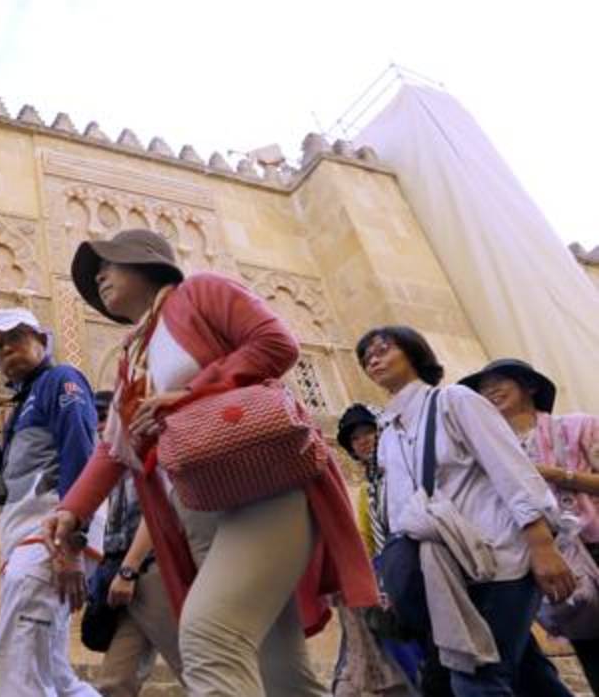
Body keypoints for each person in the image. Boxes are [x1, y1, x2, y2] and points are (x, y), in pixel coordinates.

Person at [45, 228, 377, 697]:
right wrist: (72, 509)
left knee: (209, 636)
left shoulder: (199, 293)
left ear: (145, 261)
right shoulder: (133, 356)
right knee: (280, 671)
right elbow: (116, 446)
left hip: (262, 484)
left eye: (109, 263)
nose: (98, 277)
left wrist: (190, 393)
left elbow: (277, 343)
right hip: (197, 508)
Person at [356, 326, 575, 695]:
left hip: (501, 556)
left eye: (382, 349)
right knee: (526, 674)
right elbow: (399, 512)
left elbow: (510, 468)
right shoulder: (389, 432)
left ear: (414, 352)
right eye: (365, 358)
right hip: (450, 569)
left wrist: (541, 544)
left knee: (477, 674)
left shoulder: (454, 400)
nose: (373, 360)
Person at [0, 307, 100, 697]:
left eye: (16, 337)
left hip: (49, 541)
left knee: (17, 670)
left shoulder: (61, 381)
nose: (6, 348)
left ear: (42, 341)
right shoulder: (21, 408)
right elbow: (8, 486)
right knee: (57, 679)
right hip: (28, 543)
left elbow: (80, 455)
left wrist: (71, 545)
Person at [461, 358, 599, 693]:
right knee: (593, 651)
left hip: (594, 541)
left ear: (530, 387)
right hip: (556, 563)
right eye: (482, 388)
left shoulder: (579, 426)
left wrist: (557, 475)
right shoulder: (486, 455)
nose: (490, 390)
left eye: (499, 381)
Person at [91, 390, 185, 696]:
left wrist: (129, 570)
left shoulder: (151, 452)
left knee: (202, 672)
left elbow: (159, 514)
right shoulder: (112, 466)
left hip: (153, 573)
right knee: (115, 683)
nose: (99, 428)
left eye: (104, 418)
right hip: (125, 582)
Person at [332, 403, 421, 696]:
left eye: (368, 433)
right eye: (355, 439)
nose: (363, 441)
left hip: (417, 567)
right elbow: (369, 540)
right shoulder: (366, 490)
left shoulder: (405, 470)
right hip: (388, 576)